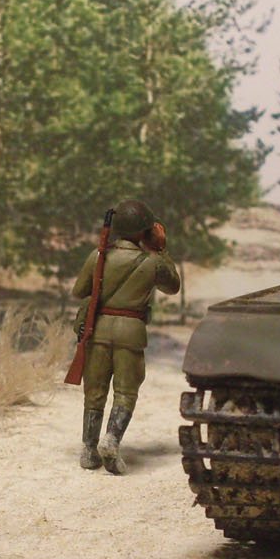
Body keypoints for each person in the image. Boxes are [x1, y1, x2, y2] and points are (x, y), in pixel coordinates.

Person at [72, 198, 181, 475]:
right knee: (126, 391)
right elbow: (173, 286)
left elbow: (79, 291)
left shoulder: (98, 256)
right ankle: (111, 440)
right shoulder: (153, 262)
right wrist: (161, 249)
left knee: (94, 391)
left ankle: (88, 449)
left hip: (98, 330)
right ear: (145, 230)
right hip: (131, 333)